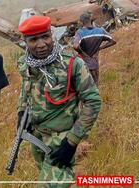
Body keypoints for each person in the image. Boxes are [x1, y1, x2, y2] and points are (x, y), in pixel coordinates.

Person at [17, 15, 101, 188]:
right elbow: (26, 89)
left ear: (51, 35)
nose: (41, 44)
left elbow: (93, 102)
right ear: (25, 41)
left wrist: (72, 141)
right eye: (33, 40)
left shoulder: (72, 63)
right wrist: (21, 112)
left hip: (60, 140)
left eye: (45, 37)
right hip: (37, 139)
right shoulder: (26, 65)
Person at [73, 13, 116, 85]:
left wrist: (83, 54)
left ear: (81, 22)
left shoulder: (80, 32)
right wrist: (100, 48)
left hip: (83, 63)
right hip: (95, 62)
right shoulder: (100, 31)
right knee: (96, 84)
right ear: (90, 20)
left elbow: (75, 46)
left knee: (85, 86)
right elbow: (113, 41)